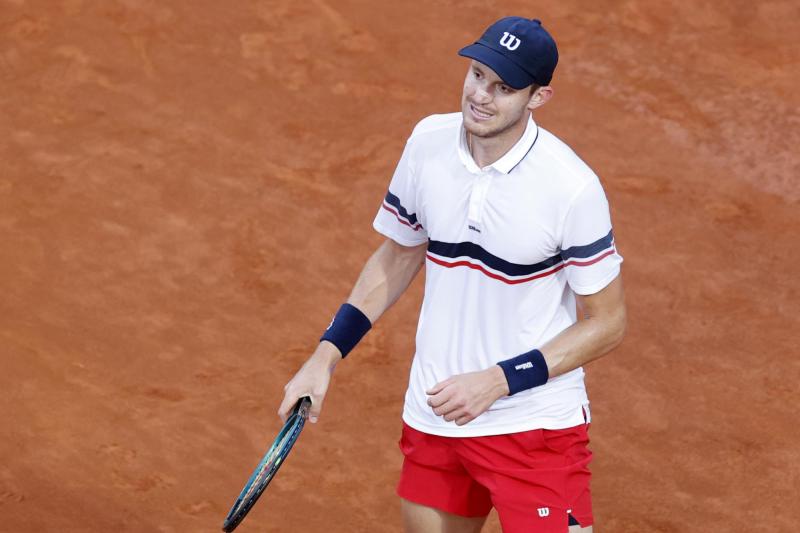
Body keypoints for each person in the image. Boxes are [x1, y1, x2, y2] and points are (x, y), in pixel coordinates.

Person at [278, 16, 626, 533]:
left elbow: (608, 323)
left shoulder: (570, 187)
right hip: (437, 412)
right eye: (478, 75)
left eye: (504, 88)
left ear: (538, 98)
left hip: (534, 426)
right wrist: (324, 357)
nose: (482, 96)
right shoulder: (428, 144)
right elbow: (397, 256)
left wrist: (498, 381)